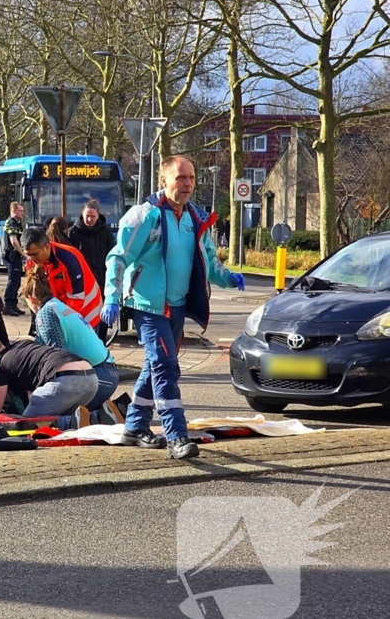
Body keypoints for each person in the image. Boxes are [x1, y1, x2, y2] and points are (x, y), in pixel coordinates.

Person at [102, 155, 245, 460]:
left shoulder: (196, 219)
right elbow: (118, 257)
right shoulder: (144, 216)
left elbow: (208, 262)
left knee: (154, 366)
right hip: (148, 307)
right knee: (166, 367)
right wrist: (112, 297)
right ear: (163, 181)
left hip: (178, 306)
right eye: (180, 178)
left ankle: (134, 427)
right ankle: (176, 436)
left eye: (191, 178)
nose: (187, 184)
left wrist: (227, 277)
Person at [22, 266, 121, 423]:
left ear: (31, 298)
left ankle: (95, 417)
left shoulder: (45, 314)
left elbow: (56, 359)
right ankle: (105, 413)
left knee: (35, 416)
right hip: (108, 373)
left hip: (96, 377)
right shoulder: (59, 306)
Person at [0, 334, 98, 429]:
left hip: (64, 380)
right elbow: (33, 383)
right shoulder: (23, 344)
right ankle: (99, 416)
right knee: (71, 422)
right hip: (90, 376)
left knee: (24, 427)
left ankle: (93, 418)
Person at [20, 226, 102, 329]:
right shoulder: (30, 261)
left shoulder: (69, 258)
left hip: (87, 312)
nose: (32, 258)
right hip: (61, 311)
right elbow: (30, 293)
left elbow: (76, 299)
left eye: (35, 254)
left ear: (47, 247)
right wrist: (40, 313)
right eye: (28, 255)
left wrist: (59, 320)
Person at [65, 199, 116, 343]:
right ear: (82, 215)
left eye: (93, 217)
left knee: (101, 315)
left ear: (98, 216)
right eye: (87, 216)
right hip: (81, 282)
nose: (89, 219)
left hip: (101, 280)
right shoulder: (73, 232)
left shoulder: (105, 232)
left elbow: (112, 254)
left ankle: (101, 344)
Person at [1, 201, 25, 316]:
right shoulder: (11, 223)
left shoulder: (16, 222)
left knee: (17, 281)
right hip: (12, 256)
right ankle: (8, 306)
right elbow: (13, 241)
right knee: (13, 281)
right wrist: (22, 253)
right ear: (13, 211)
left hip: (15, 256)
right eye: (20, 211)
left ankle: (14, 305)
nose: (22, 213)